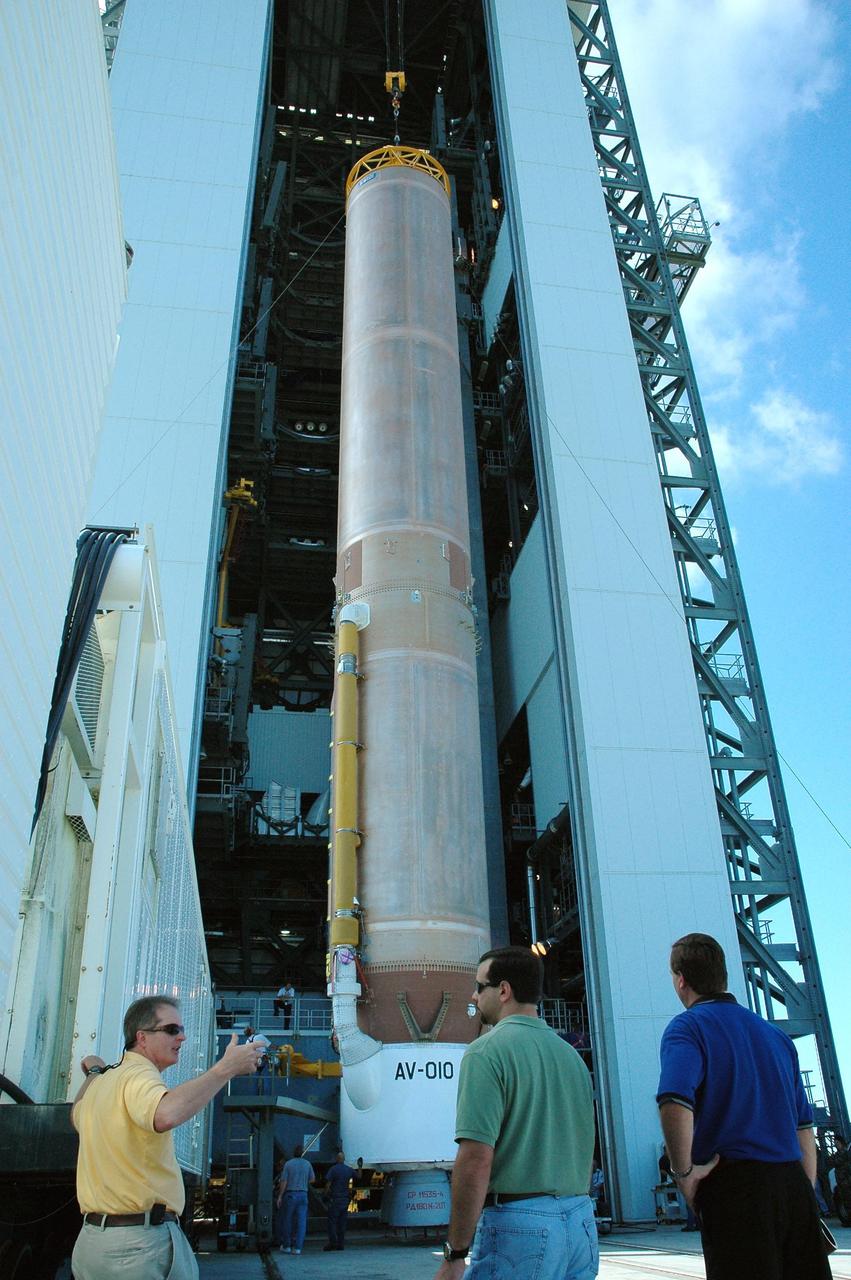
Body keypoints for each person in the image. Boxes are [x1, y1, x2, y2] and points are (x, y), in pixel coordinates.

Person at [657, 932, 831, 1280]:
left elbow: (674, 1099)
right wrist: (804, 1190)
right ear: (723, 976)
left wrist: (683, 1174)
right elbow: (803, 1125)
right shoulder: (776, 1036)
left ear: (681, 980)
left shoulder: (688, 1027)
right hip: (793, 1185)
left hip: (736, 1189)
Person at [433, 946, 597, 1280]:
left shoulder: (485, 1052)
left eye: (480, 987)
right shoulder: (572, 1058)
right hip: (580, 1221)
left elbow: (476, 1158)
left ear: (504, 990)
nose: (474, 996)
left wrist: (455, 1253)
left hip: (521, 1225)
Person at [71, 995, 262, 1280]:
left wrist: (95, 1072)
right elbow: (165, 1114)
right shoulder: (139, 1075)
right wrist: (226, 1069)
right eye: (172, 1030)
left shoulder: (102, 1084)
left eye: (181, 1030)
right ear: (142, 1038)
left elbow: (75, 1114)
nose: (182, 1037)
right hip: (137, 1248)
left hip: (92, 1245)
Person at [277, 1143, 316, 1254]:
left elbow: (284, 1181)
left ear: (293, 1153)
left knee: (287, 1220)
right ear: (302, 1153)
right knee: (301, 1222)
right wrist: (303, 1181)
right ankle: (298, 1248)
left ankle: (287, 1246)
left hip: (291, 1194)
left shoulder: (288, 1164)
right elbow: (313, 1179)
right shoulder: (307, 1164)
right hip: (303, 1195)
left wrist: (280, 1196)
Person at [324, 1150, 359, 1251]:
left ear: (337, 1159)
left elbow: (328, 1185)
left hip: (335, 1199)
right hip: (345, 1200)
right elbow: (359, 1176)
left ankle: (332, 1243)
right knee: (342, 1223)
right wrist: (360, 1167)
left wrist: (325, 1195)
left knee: (332, 1222)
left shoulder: (333, 1169)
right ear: (344, 1159)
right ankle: (341, 1244)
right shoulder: (348, 1169)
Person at [829, 1134, 851, 1225]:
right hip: (841, 1182)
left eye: (837, 1143)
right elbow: (830, 1161)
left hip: (847, 1181)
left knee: (848, 1201)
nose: (836, 1145)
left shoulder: (845, 1153)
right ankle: (848, 1220)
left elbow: (835, 1161)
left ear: (842, 1143)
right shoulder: (839, 1153)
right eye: (835, 1143)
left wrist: (833, 1159)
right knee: (845, 1201)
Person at [244, 1025, 271, 1092]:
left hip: (254, 1062)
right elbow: (270, 1046)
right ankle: (267, 1097)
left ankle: (254, 1097)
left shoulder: (247, 1042)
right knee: (267, 1081)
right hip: (263, 1060)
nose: (253, 1028)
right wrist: (279, 1048)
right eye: (252, 1028)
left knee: (254, 1083)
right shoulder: (260, 1036)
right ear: (251, 1031)